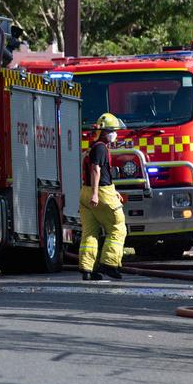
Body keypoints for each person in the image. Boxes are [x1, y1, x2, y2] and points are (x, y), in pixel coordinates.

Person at [78, 112, 128, 281]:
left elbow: (101, 172)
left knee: (90, 233)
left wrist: (112, 191)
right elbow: (95, 169)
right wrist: (96, 194)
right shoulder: (101, 148)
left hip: (86, 192)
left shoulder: (93, 146)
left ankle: (87, 269)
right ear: (106, 132)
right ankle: (109, 264)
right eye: (113, 131)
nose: (116, 134)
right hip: (99, 193)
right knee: (118, 227)